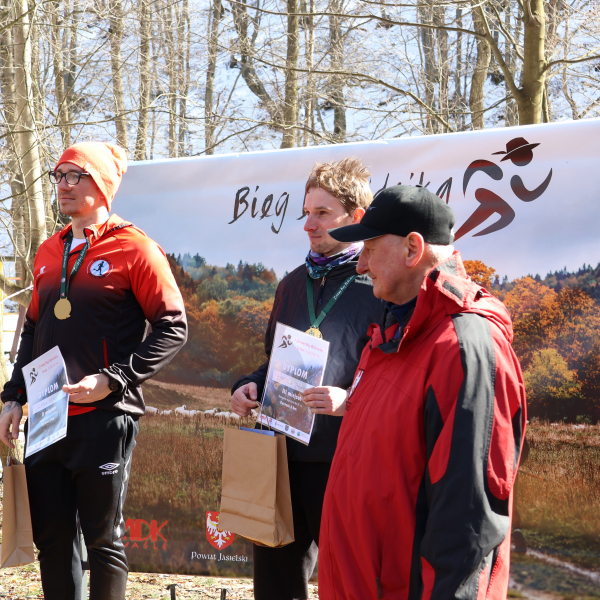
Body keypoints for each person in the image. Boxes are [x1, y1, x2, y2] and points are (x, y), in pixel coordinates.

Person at [318, 185, 527, 600]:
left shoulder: (463, 348)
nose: (360, 265)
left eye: (369, 249)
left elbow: (467, 530)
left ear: (413, 248)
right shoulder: (392, 334)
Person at [0, 142, 187, 600]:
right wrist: (14, 396)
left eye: (74, 175)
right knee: (52, 541)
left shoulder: (136, 247)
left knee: (103, 542)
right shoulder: (49, 251)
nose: (62, 185)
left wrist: (112, 379)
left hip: (104, 417)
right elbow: (34, 329)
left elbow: (173, 327)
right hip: (47, 419)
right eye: (58, 175)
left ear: (101, 184)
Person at [230, 157, 386, 600]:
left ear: (356, 217)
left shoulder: (379, 285)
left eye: (322, 213)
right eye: (306, 212)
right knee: (276, 584)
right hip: (279, 452)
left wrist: (350, 399)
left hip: (341, 458)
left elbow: (394, 375)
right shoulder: (292, 285)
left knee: (348, 582)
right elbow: (274, 361)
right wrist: (248, 385)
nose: (308, 225)